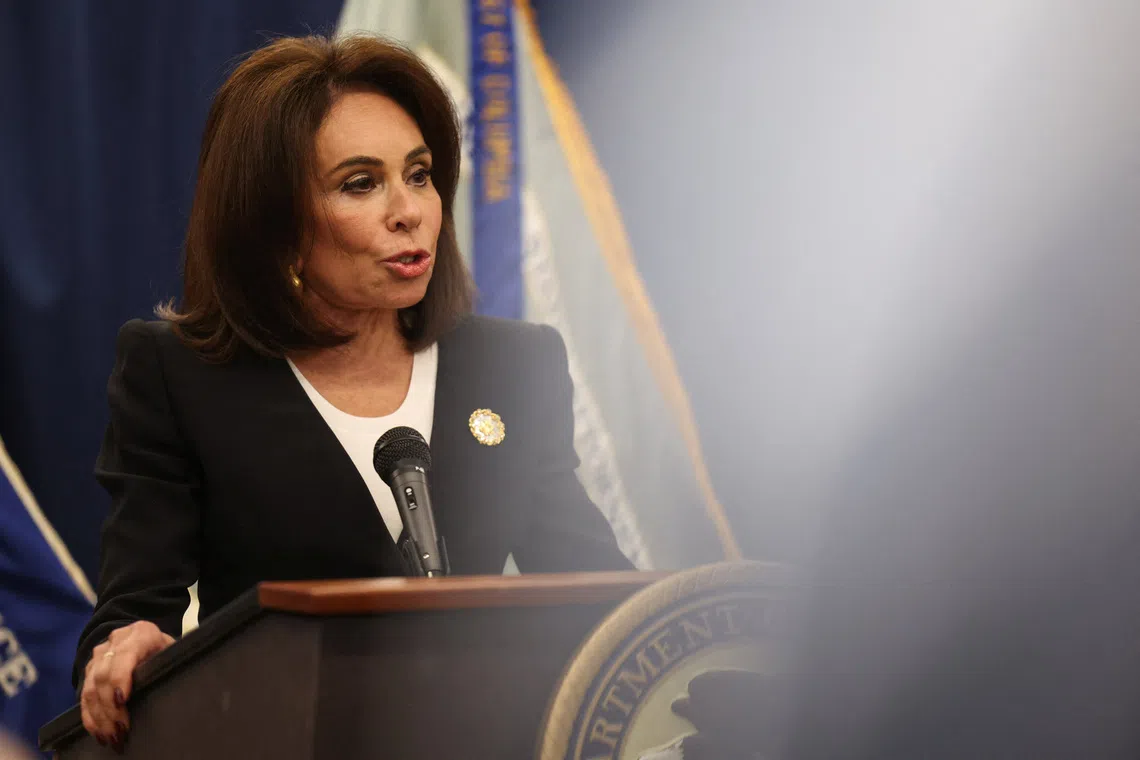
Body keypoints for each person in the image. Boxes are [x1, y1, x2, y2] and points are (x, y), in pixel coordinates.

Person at [74, 34, 632, 747]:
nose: (409, 210)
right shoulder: (179, 376)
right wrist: (128, 647)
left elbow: (596, 594)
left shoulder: (511, 364)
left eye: (420, 175)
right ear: (277, 224)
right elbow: (131, 611)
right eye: (361, 184)